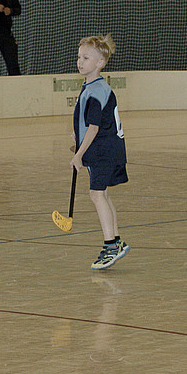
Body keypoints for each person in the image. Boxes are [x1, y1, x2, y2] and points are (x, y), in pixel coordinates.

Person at [70, 33, 128, 270]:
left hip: (103, 150)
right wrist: (77, 136)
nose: (80, 61)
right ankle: (116, 241)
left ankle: (110, 246)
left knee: (97, 195)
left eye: (86, 58)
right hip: (107, 149)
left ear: (100, 63)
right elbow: (88, 123)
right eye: (79, 57)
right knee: (102, 194)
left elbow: (94, 127)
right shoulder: (94, 87)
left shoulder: (96, 91)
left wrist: (78, 154)